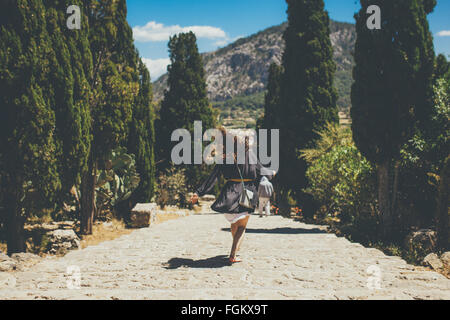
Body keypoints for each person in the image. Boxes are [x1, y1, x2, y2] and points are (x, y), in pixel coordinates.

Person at [190, 130, 270, 264]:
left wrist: (198, 192)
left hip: (230, 193)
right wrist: (270, 174)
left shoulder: (224, 158)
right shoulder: (250, 155)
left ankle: (235, 247)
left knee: (235, 224)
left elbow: (213, 178)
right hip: (247, 192)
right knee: (242, 226)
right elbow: (260, 171)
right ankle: (233, 253)